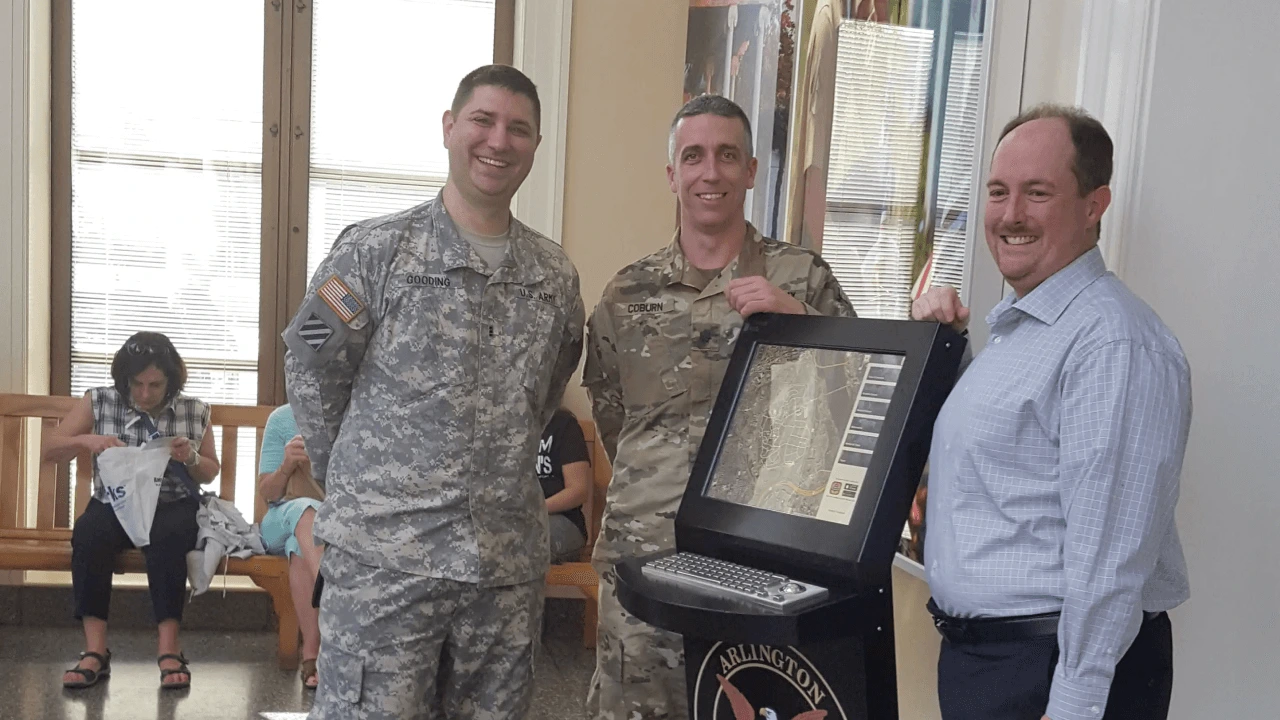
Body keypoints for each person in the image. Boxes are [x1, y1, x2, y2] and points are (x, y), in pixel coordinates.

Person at [283, 64, 584, 720]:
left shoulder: (554, 277)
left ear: (535, 145)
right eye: (482, 120)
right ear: (450, 128)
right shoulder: (372, 251)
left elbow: (545, 390)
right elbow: (309, 363)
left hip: (502, 571)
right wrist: (357, 484)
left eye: (518, 128)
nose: (497, 140)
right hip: (385, 565)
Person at [912, 104, 1191, 720]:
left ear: (1094, 205)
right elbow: (1012, 468)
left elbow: (1111, 558)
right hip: (993, 668)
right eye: (998, 191)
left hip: (1051, 674)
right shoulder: (1028, 326)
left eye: (1037, 193)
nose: (1010, 215)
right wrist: (947, 355)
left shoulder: (1113, 343)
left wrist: (1075, 704)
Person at [583, 94, 856, 720]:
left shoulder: (801, 277)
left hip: (760, 563)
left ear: (752, 170)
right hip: (644, 555)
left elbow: (859, 398)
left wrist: (800, 322)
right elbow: (614, 412)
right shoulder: (628, 292)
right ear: (672, 174)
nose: (711, 173)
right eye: (694, 156)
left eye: (727, 156)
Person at [48, 331, 220, 690]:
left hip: (170, 503)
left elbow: (210, 470)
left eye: (155, 385)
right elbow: (49, 447)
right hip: (115, 501)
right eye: (136, 384)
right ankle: (95, 651)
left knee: (170, 537)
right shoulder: (99, 401)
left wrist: (190, 457)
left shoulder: (194, 410)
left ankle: (169, 650)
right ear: (124, 379)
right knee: (90, 535)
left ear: (171, 381)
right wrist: (85, 440)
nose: (144, 394)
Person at [256, 403, 324, 689]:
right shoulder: (283, 418)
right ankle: (330, 580)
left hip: (328, 526)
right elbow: (268, 494)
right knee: (304, 509)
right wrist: (286, 466)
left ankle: (311, 654)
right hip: (279, 519)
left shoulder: (357, 412)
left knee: (301, 543)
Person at [537, 408, 591, 564]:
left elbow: (578, 491)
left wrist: (535, 510)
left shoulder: (563, 423)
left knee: (525, 544)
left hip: (561, 519)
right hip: (513, 521)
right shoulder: (504, 425)